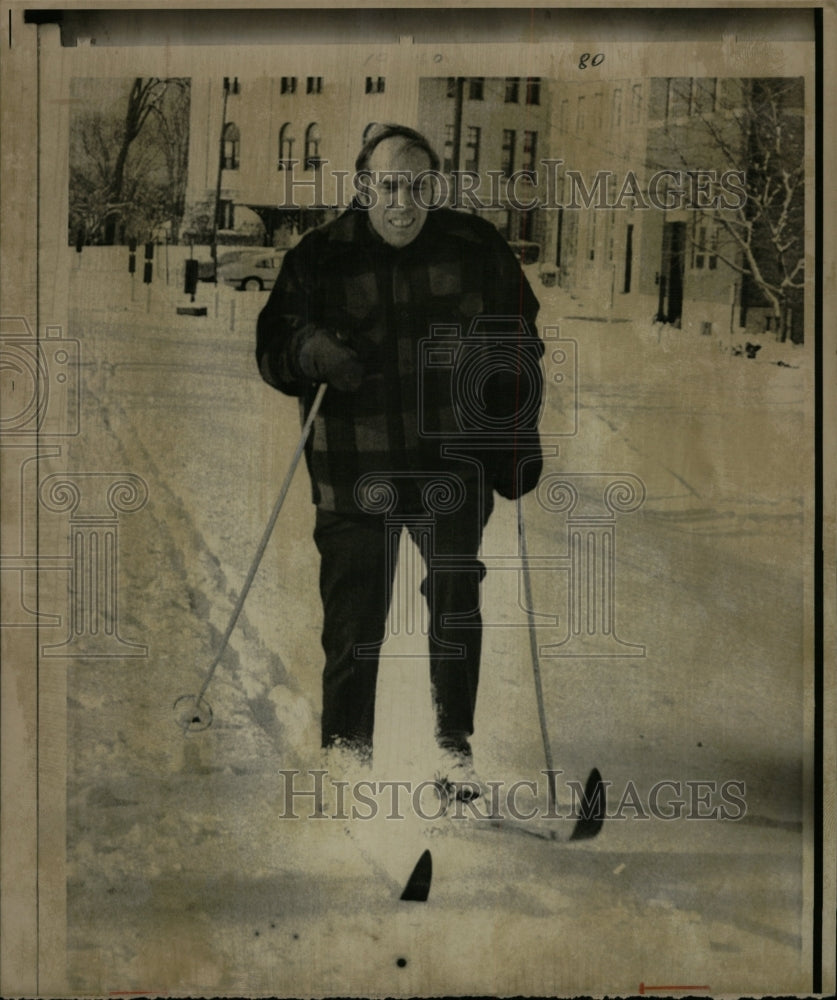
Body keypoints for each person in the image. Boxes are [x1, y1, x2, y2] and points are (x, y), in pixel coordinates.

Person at [256, 124, 544, 797]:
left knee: (454, 606)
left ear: (434, 187)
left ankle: (452, 753)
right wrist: (307, 351)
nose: (403, 201)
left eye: (418, 185)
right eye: (388, 185)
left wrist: (516, 436)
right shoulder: (319, 258)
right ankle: (347, 758)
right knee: (354, 621)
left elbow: (521, 347)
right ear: (363, 187)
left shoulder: (476, 247)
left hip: (451, 466)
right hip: (354, 473)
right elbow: (270, 348)